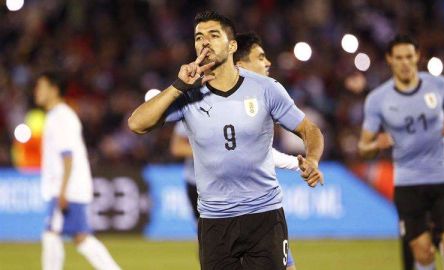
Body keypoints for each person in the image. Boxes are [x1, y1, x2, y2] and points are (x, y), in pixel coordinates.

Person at [129, 11, 324, 270]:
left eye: (213, 35)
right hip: (214, 221)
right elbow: (137, 124)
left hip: (264, 216)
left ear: (232, 45)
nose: (204, 42)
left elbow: (309, 129)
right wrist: (178, 86)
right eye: (199, 37)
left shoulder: (266, 88)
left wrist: (312, 159)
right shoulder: (189, 95)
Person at [169, 32, 300, 270]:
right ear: (239, 64)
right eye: (260, 58)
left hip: (260, 205)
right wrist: (212, 150)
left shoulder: (266, 93)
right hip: (207, 194)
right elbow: (174, 144)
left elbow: (262, 151)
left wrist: (300, 162)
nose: (268, 63)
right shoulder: (195, 100)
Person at [358, 35, 444, 270]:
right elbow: (363, 147)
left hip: (442, 178)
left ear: (417, 56)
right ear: (390, 59)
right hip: (407, 184)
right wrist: (376, 146)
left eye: (409, 57)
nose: (405, 62)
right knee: (422, 255)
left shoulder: (438, 85)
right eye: (398, 57)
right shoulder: (378, 100)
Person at [35, 71, 121, 270]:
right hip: (72, 186)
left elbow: (68, 156)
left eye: (41, 87)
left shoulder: (61, 116)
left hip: (66, 188)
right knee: (81, 238)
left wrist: (63, 191)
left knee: (51, 234)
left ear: (54, 90)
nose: (36, 91)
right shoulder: (59, 115)